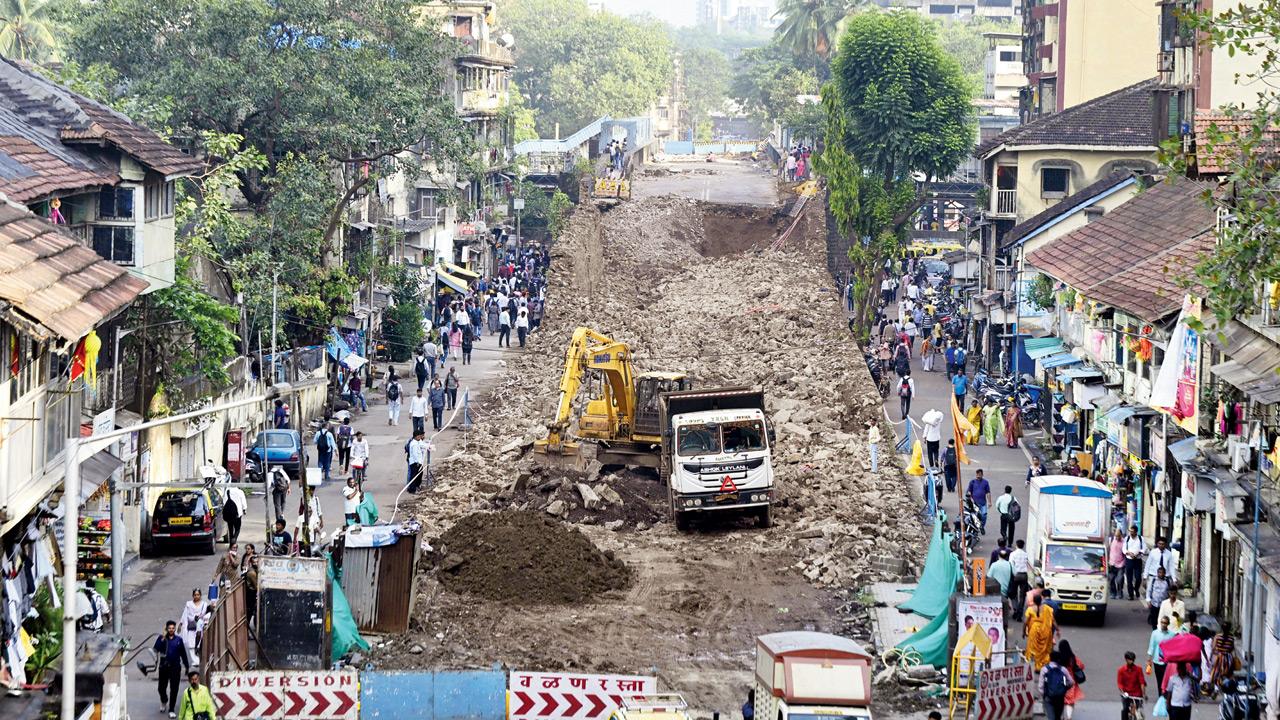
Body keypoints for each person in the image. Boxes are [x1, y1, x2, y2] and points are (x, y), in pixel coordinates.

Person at [154, 620, 189, 718]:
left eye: (173, 628)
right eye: (169, 628)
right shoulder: (162, 639)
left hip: (175, 667)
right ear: (166, 629)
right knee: (161, 688)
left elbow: (183, 654)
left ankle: (171, 709)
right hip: (164, 667)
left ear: (175, 629)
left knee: (174, 689)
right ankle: (164, 700)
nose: (171, 630)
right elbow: (156, 649)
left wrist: (186, 666)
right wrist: (162, 638)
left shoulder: (178, 640)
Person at [1024, 593, 1056, 670]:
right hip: (1045, 630)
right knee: (1044, 650)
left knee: (1033, 648)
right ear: (1041, 600)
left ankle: (1033, 665)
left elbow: (1025, 622)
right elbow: (1053, 621)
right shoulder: (1047, 608)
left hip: (1034, 631)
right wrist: (1057, 630)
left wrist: (1023, 632)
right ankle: (1043, 665)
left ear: (1034, 601)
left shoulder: (1030, 609)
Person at [1039, 649, 1073, 720]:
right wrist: (1065, 688)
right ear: (1058, 659)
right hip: (1060, 697)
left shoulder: (1044, 669)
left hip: (1048, 697)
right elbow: (1071, 682)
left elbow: (1041, 686)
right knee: (1058, 717)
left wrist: (1043, 695)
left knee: (1051, 717)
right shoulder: (1063, 669)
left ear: (1050, 658)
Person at [177, 589, 207, 667]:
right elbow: (185, 614)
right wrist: (181, 624)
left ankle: (199, 659)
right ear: (193, 596)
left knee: (199, 643)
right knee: (191, 644)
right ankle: (195, 660)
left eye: (198, 595)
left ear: (200, 595)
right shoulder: (189, 604)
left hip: (200, 626)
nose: (196, 596)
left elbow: (204, 614)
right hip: (191, 626)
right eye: (195, 595)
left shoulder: (204, 604)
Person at [1147, 615, 1176, 689]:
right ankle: (1161, 696)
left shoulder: (1172, 635)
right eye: (1162, 622)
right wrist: (1149, 660)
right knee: (1159, 680)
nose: (1163, 624)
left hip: (1167, 661)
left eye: (1165, 623)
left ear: (1168, 624)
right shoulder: (1155, 633)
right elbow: (1151, 646)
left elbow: (1173, 648)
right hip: (1157, 661)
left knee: (1167, 680)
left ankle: (1165, 695)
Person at [1058, 639, 1085, 719]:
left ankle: (1062, 716)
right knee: (1070, 701)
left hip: (1060, 682)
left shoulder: (1059, 657)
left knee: (1061, 700)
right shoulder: (1072, 657)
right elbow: (1081, 666)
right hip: (1071, 682)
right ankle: (1068, 717)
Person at [1117, 651, 1147, 720]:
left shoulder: (1139, 669)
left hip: (1137, 695)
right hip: (1127, 694)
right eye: (1130, 660)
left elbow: (1142, 682)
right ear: (1126, 659)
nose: (1131, 661)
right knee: (1125, 710)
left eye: (1132, 660)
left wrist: (1144, 694)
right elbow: (1120, 683)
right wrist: (1122, 692)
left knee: (1139, 711)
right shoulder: (1121, 670)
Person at [1207, 623, 1236, 691]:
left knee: (1216, 673)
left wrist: (1212, 656)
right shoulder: (1231, 638)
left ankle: (1217, 687)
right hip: (1228, 658)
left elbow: (1213, 648)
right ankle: (1225, 686)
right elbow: (1231, 648)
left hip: (1219, 658)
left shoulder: (1217, 636)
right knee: (1227, 673)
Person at [1123, 527, 1148, 601]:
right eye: (1130, 531)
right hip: (1129, 560)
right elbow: (1124, 548)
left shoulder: (1141, 538)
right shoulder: (1127, 538)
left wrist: (1138, 553)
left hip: (1137, 560)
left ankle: (1136, 589)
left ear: (1136, 532)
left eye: (1133, 532)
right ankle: (1131, 595)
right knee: (1129, 579)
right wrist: (1129, 553)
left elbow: (1144, 548)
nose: (1131, 533)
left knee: (1138, 578)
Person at [967, 469, 991, 535]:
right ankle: (975, 529)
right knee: (975, 517)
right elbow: (969, 491)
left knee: (984, 515)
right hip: (974, 503)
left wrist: (989, 502)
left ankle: (981, 527)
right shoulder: (972, 482)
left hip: (983, 503)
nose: (978, 476)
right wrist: (969, 498)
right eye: (977, 474)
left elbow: (988, 492)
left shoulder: (985, 482)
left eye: (980, 474)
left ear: (982, 475)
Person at [1009, 539, 1031, 615]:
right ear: (1023, 546)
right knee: (1022, 595)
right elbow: (1028, 565)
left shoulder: (1013, 554)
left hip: (1015, 575)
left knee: (1013, 593)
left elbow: (1011, 565)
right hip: (1024, 575)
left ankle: (1015, 609)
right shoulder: (1025, 554)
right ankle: (1020, 611)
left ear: (1016, 545)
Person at [1108, 529, 1127, 600]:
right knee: (1111, 579)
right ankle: (1113, 593)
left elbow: (1125, 552)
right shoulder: (1111, 540)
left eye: (1118, 536)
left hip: (1121, 564)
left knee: (1119, 580)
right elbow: (1108, 549)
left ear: (1121, 535)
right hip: (1111, 563)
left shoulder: (1124, 542)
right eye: (1116, 536)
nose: (1117, 538)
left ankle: (1120, 592)